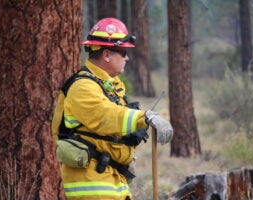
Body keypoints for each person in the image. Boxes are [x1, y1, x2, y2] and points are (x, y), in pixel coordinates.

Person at [59, 18, 173, 200]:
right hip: (93, 183)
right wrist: (144, 117)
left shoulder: (108, 86)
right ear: (106, 54)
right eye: (123, 51)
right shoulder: (83, 87)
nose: (127, 57)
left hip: (111, 177)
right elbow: (107, 116)